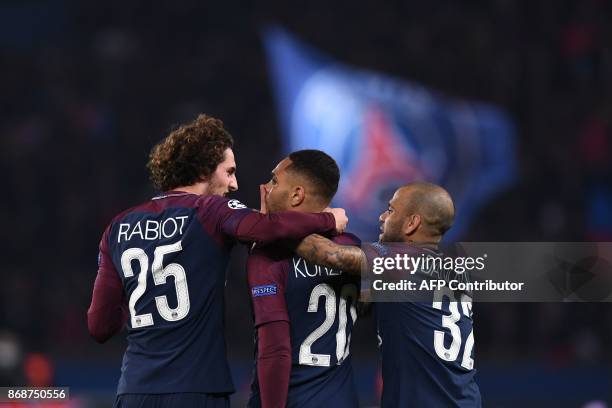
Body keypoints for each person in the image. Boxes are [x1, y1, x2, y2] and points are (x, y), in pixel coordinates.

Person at [86, 115, 348, 408]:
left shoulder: (118, 226)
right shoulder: (210, 210)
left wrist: (138, 310)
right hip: (196, 389)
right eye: (229, 172)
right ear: (205, 167)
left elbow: (100, 326)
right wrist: (328, 218)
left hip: (133, 390)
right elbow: (265, 228)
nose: (235, 184)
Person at [293, 182, 482, 407]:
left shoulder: (401, 260)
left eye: (391, 210)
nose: (382, 217)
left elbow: (327, 254)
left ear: (412, 223)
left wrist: (276, 223)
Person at [247, 150, 361, 408]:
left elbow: (275, 350)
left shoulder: (268, 255)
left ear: (297, 195)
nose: (265, 188)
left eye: (274, 181)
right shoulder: (352, 245)